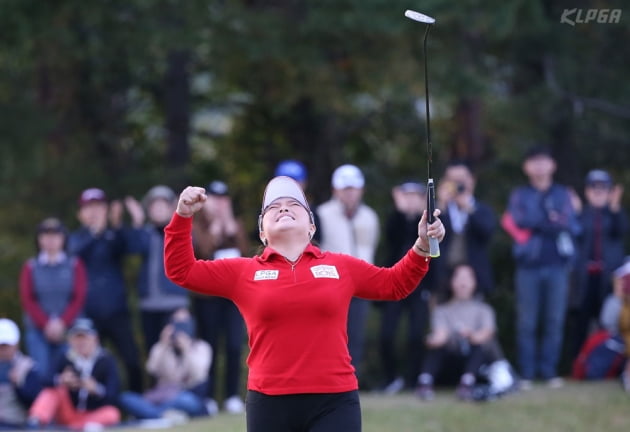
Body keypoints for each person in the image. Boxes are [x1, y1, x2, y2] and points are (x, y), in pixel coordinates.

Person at [164, 176, 445, 432]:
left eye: (293, 204)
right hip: (268, 403)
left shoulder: (340, 265)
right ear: (262, 231)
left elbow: (394, 284)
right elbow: (182, 271)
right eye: (274, 207)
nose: (284, 208)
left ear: (311, 226)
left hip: (335, 401)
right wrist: (182, 216)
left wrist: (421, 246)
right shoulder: (243, 271)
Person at [503, 146, 581, 389]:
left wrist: (542, 221)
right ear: (526, 167)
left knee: (554, 319)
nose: (538, 166)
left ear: (552, 165)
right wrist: (550, 219)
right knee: (527, 321)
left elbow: (568, 223)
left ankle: (548, 372)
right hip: (528, 265)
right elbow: (519, 220)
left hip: (558, 265)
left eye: (543, 161)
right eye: (533, 162)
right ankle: (527, 372)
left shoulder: (563, 193)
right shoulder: (520, 195)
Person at [67, 188, 144, 393]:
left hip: (117, 311)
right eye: (89, 208)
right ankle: (96, 411)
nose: (94, 212)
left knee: (132, 361)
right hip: (89, 314)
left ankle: (137, 406)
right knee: (91, 366)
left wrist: (129, 222)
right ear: (80, 214)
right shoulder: (76, 239)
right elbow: (76, 255)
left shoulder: (112, 234)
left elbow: (135, 247)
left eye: (98, 207)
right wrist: (96, 232)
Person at [316, 164, 380, 381]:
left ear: (361, 190)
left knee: (357, 335)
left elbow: (371, 247)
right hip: (330, 285)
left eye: (354, 188)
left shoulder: (370, 217)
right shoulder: (322, 214)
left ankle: (352, 381)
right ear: (336, 190)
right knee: (330, 336)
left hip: (361, 284)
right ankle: (327, 379)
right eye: (345, 189)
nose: (350, 193)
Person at [191, 180, 249, 415]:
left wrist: (233, 231)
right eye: (214, 199)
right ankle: (209, 397)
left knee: (235, 345)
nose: (220, 204)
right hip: (208, 298)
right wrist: (215, 230)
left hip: (234, 297)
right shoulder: (197, 224)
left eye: (224, 199)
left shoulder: (236, 224)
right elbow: (201, 253)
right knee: (210, 345)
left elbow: (248, 257)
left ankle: (232, 395)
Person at [415, 264, 510, 401]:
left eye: (467, 278)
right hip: (451, 360)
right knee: (436, 349)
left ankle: (467, 383)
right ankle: (425, 382)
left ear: (474, 282)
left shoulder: (484, 310)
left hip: (475, 362)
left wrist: (470, 335)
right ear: (451, 282)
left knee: (481, 346)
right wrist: (435, 340)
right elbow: (440, 334)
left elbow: (487, 333)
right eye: (459, 277)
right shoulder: (442, 310)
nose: (463, 282)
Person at [378, 181, 434, 394]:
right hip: (394, 281)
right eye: (406, 195)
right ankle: (391, 378)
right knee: (386, 334)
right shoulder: (395, 220)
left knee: (416, 334)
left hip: (420, 286)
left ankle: (413, 379)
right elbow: (392, 240)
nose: (410, 200)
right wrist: (402, 213)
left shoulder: (431, 223)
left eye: (415, 196)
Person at [568, 169, 628, 360]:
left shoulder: (615, 214)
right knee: (580, 323)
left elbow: (622, 230)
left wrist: (615, 206)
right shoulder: (581, 214)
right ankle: (578, 364)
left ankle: (609, 362)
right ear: (587, 191)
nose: (598, 192)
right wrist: (575, 212)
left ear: (609, 192)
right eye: (594, 188)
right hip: (585, 278)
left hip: (608, 278)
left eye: (603, 188)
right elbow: (574, 237)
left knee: (609, 321)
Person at [19, 217, 87, 378]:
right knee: (42, 374)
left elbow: (78, 298)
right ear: (39, 240)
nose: (50, 240)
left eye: (55, 235)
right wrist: (47, 324)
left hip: (70, 330)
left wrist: (62, 323)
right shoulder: (31, 267)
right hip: (38, 331)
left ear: (63, 239)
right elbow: (28, 299)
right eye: (46, 235)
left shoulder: (74, 264)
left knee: (72, 374)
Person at [119, 308, 212, 423]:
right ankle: (165, 415)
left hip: (187, 396)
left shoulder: (202, 347)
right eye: (176, 322)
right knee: (126, 398)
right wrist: (163, 344)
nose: (180, 327)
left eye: (184, 322)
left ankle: (153, 415)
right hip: (161, 397)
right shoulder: (162, 347)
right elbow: (151, 369)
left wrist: (186, 350)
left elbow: (199, 375)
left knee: (184, 400)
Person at [126, 185, 190, 352]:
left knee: (178, 351)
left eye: (164, 205)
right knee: (153, 352)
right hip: (148, 304)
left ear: (172, 207)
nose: (159, 209)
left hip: (175, 303)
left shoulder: (180, 231)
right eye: (155, 205)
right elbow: (134, 248)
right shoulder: (145, 233)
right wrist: (137, 222)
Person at [28, 318, 121, 430]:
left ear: (95, 339)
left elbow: (114, 394)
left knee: (112, 413)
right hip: (68, 412)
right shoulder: (65, 357)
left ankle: (79, 427)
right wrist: (61, 380)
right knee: (53, 391)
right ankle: (36, 421)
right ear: (71, 341)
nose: (81, 342)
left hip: (93, 414)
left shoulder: (106, 360)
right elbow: (44, 380)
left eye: (85, 338)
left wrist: (96, 389)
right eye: (77, 338)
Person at [435, 160, 497, 300]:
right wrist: (440, 204)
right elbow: (426, 235)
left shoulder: (482, 210)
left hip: (474, 277)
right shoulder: (438, 210)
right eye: (452, 180)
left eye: (461, 179)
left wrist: (469, 209)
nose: (458, 184)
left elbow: (487, 233)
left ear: (472, 180)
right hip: (442, 277)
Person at [0, 318, 43, 429]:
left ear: (16, 344)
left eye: (6, 346)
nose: (2, 350)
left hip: (16, 424)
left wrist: (18, 385)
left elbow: (34, 402)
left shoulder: (28, 367)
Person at [274, 160, 321, 243]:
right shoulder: (268, 211)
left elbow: (317, 241)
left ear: (304, 183)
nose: (291, 185)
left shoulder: (313, 212)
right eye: (286, 181)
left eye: (295, 181)